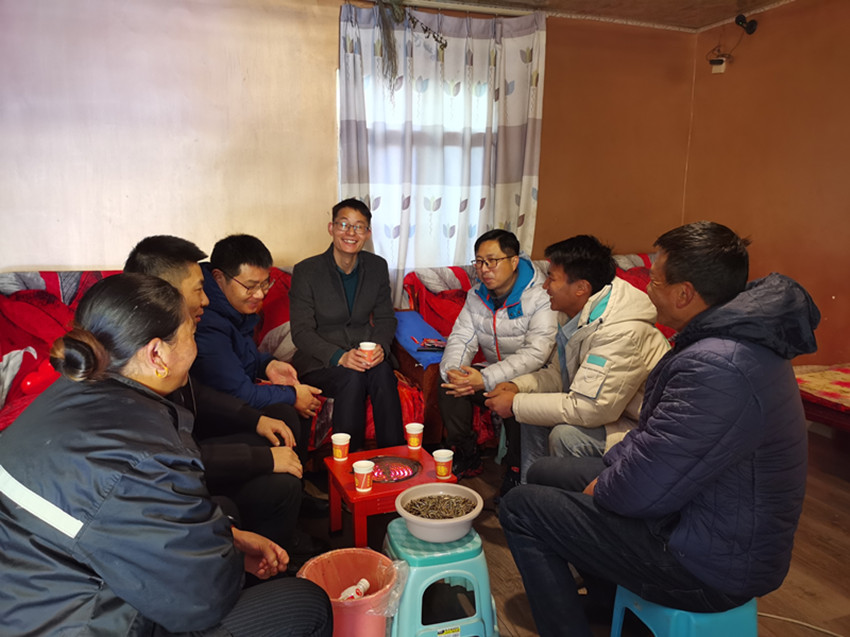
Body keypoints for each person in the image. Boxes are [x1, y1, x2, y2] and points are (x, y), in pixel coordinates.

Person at [499, 221, 819, 637]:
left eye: (654, 281)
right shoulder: (731, 340)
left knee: (521, 507)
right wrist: (611, 472)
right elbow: (657, 441)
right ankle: (607, 601)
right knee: (547, 472)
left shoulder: (716, 366)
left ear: (684, 294)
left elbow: (644, 488)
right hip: (697, 512)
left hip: (709, 566)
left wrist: (607, 485)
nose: (646, 289)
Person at [0, 273, 332, 636]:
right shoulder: (148, 452)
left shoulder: (65, 394)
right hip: (83, 622)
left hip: (29, 602)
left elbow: (111, 519)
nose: (198, 335)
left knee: (227, 514)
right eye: (191, 333)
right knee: (306, 602)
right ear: (157, 354)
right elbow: (202, 598)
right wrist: (230, 556)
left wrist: (229, 537)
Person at [125, 235, 326, 564]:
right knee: (276, 473)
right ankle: (274, 563)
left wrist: (257, 410)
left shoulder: (169, 334)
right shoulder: (151, 358)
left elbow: (199, 392)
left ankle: (284, 530)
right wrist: (264, 458)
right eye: (198, 289)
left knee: (279, 427)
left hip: (192, 451)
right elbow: (178, 456)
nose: (205, 299)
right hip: (181, 479)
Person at [485, 235, 669, 483]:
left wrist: (515, 403)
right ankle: (531, 488)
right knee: (529, 408)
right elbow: (558, 374)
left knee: (565, 436)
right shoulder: (576, 312)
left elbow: (591, 409)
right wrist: (518, 387)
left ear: (581, 288)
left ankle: (567, 501)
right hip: (610, 412)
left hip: (637, 427)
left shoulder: (621, 332)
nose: (544, 286)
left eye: (552, 278)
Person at [439, 229, 558, 489]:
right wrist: (454, 371)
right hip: (492, 370)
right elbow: (461, 338)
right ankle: (466, 453)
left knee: (513, 400)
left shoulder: (540, 296)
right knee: (449, 385)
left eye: (492, 261)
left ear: (513, 261)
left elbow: (536, 353)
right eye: (479, 262)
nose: (484, 269)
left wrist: (485, 378)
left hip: (534, 376)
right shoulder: (476, 295)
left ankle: (516, 473)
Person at [191, 234, 323, 463]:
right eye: (251, 286)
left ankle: (297, 474)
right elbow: (236, 391)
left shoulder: (233, 306)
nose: (260, 294)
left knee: (293, 405)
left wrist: (268, 364)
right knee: (286, 410)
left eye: (264, 284)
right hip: (213, 411)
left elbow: (238, 353)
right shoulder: (207, 321)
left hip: (232, 396)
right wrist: (292, 395)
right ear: (219, 277)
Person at [289, 198, 404, 452]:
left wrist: (381, 348)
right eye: (343, 224)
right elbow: (301, 332)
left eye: (359, 226)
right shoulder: (307, 271)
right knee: (352, 378)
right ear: (331, 228)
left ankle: (395, 457)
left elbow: (385, 318)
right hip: (321, 362)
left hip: (365, 356)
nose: (350, 233)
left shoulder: (377, 267)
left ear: (368, 233)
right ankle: (349, 465)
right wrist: (340, 357)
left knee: (383, 372)